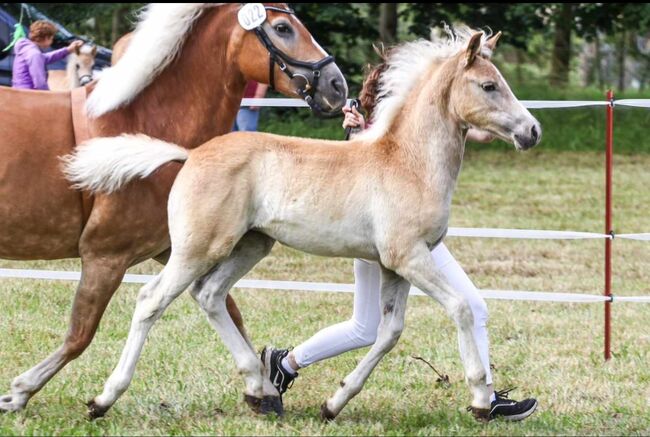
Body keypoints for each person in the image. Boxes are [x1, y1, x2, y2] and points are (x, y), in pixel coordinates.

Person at [262, 54, 538, 422]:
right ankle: (483, 395)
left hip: (407, 228)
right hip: (386, 228)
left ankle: (286, 363)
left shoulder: (437, 111)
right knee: (452, 309)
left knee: (371, 326)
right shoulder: (389, 113)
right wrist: (356, 129)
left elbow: (479, 126)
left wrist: (504, 118)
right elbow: (363, 157)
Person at [11, 20, 83, 90]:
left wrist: (68, 49)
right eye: (51, 38)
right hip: (28, 95)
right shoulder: (34, 54)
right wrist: (49, 95)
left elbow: (44, 58)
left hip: (19, 91)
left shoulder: (27, 48)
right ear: (46, 38)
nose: (52, 41)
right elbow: (40, 83)